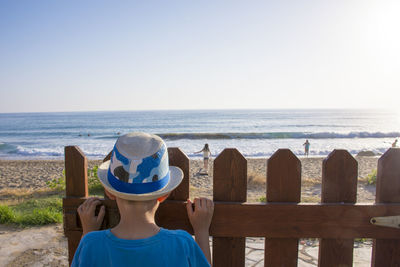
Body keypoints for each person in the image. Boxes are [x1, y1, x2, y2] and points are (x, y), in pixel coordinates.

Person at [72, 132, 214, 267]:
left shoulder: (90, 244)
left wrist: (88, 232)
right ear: (164, 195)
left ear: (109, 192)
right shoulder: (182, 244)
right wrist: (201, 230)